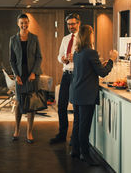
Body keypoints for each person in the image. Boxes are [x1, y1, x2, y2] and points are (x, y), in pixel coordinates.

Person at [69, 25, 118, 166]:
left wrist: (100, 65)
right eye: (92, 34)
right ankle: (86, 155)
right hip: (86, 95)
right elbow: (102, 73)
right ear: (88, 36)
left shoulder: (78, 52)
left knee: (78, 124)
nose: (93, 36)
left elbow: (88, 68)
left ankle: (75, 151)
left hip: (77, 92)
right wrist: (111, 60)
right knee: (84, 126)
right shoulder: (91, 52)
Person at [9, 13, 42, 144]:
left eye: (26, 22)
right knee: (18, 103)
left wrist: (34, 72)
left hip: (32, 76)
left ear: (29, 23)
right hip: (20, 76)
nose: (24, 25)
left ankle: (29, 132)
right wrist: (16, 75)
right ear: (18, 24)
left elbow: (39, 57)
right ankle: (17, 130)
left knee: (31, 104)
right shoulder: (13, 39)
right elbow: (11, 60)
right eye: (21, 23)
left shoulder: (34, 38)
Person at [50, 13, 81, 144]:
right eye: (69, 24)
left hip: (77, 74)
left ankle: (75, 137)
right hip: (66, 74)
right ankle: (62, 134)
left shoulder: (83, 38)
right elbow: (59, 55)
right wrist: (62, 59)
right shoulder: (65, 39)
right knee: (61, 105)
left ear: (78, 23)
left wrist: (76, 58)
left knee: (76, 107)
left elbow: (88, 56)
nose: (71, 27)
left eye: (73, 24)